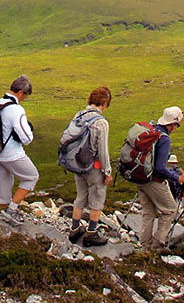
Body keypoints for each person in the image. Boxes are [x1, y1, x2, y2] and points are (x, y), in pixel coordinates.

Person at [67, 86, 113, 247]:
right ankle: (91, 233)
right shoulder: (101, 122)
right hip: (93, 166)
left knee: (80, 196)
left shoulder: (78, 115)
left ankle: (74, 228)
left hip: (77, 164)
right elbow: (103, 150)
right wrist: (107, 172)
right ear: (104, 103)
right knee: (97, 198)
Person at [0, 75, 38, 225]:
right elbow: (26, 137)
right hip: (11, 153)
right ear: (20, 93)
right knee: (32, 176)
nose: (24, 99)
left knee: (4, 178)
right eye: (25, 96)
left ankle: (5, 211)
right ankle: (12, 209)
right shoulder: (16, 109)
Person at [137, 106, 183, 252]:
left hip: (140, 177)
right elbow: (160, 168)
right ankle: (157, 244)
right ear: (173, 124)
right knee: (170, 209)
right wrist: (177, 178)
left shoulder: (151, 130)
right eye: (177, 125)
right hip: (154, 180)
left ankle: (145, 247)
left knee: (148, 212)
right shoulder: (164, 138)